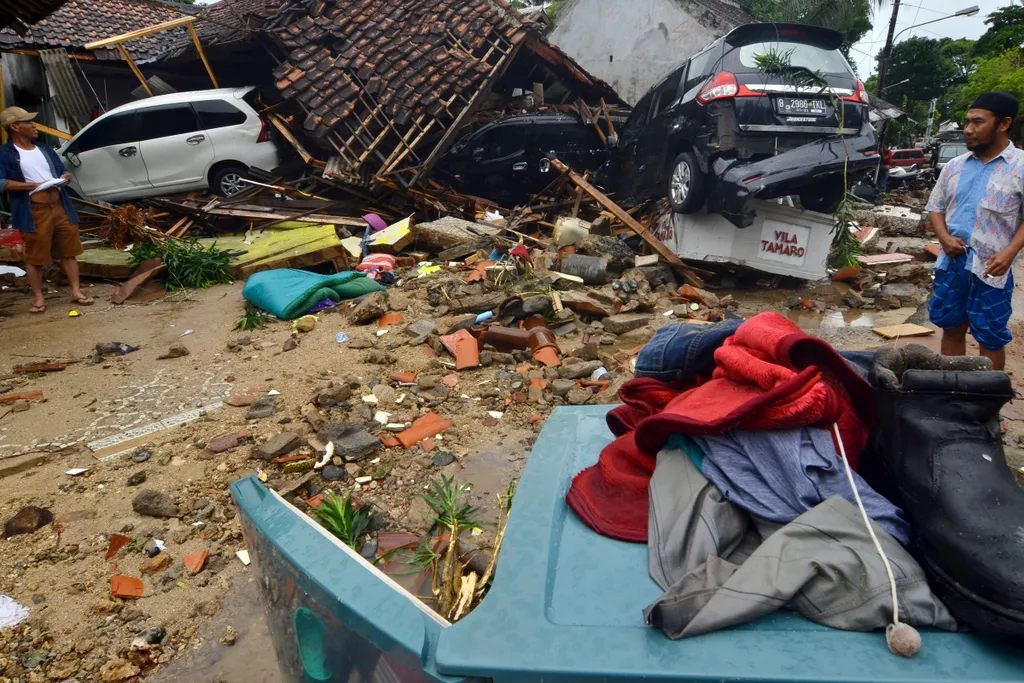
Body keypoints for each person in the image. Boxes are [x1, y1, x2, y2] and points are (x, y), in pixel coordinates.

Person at [927, 91, 1024, 371]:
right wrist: (944, 238)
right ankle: (952, 393)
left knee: (990, 337)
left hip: (993, 269)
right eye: (967, 122)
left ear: (1003, 124)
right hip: (953, 264)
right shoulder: (954, 167)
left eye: (977, 122)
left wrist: (1009, 253)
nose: (968, 129)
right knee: (952, 327)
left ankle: (986, 403)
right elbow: (936, 207)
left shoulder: (1019, 166)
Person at [0, 106, 90, 313]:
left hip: (60, 205)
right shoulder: (5, 154)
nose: (34, 126)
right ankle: (38, 299)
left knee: (69, 252)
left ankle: (76, 292)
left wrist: (65, 177)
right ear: (15, 127)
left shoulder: (45, 150)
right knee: (35, 257)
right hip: (35, 211)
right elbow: (2, 182)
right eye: (28, 123)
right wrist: (33, 186)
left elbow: (62, 171)